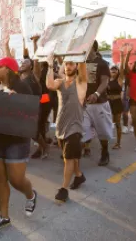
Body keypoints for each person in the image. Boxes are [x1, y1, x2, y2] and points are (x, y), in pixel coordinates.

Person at [0, 57, 37, 232]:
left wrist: (17, 100)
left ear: (9, 70)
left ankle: (31, 194)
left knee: (16, 179)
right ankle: (4, 217)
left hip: (16, 140)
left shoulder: (22, 87)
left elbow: (32, 112)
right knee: (0, 179)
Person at [46, 53, 87, 203]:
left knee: (69, 157)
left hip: (75, 127)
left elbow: (83, 67)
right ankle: (78, 175)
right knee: (68, 157)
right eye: (66, 63)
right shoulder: (60, 82)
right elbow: (49, 85)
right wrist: (50, 65)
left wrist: (80, 52)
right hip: (61, 125)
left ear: (76, 66)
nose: (68, 66)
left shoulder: (81, 82)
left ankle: (63, 189)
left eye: (71, 63)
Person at [81, 40, 113, 166]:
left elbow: (105, 81)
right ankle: (79, 153)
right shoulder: (80, 63)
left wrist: (96, 94)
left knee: (103, 132)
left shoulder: (102, 63)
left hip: (99, 103)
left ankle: (105, 151)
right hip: (84, 105)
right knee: (82, 129)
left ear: (93, 47)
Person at [108, 53, 125, 150]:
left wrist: (122, 56)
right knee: (107, 123)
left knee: (117, 123)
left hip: (117, 103)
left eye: (115, 69)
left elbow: (122, 68)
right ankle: (106, 140)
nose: (113, 70)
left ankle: (118, 143)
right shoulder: (106, 80)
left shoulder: (119, 79)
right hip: (108, 103)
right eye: (112, 69)